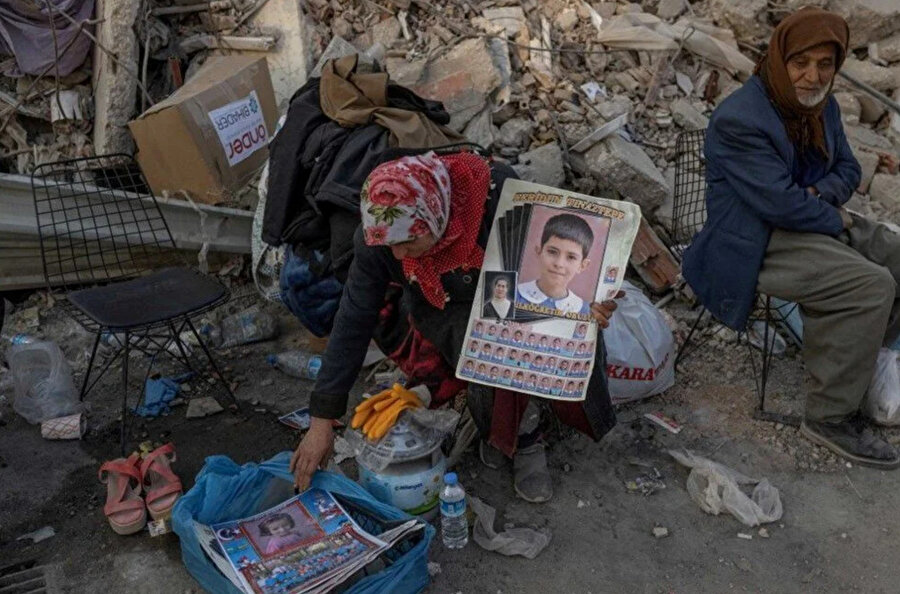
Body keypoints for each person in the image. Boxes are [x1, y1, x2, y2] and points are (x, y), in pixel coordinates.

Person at [290, 151, 622, 503]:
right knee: (480, 355)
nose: (400, 257)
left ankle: (531, 433)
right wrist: (321, 419)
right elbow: (353, 319)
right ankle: (511, 434)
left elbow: (555, 257)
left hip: (520, 289)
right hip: (445, 303)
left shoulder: (498, 196)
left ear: (436, 215)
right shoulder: (379, 241)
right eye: (391, 246)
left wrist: (591, 298)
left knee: (541, 341)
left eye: (409, 242)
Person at [682, 7, 900, 468]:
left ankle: (863, 358)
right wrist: (835, 217)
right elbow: (778, 205)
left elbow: (849, 170)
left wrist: (819, 193)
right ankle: (830, 416)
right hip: (752, 242)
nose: (811, 75)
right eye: (801, 63)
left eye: (824, 64)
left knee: (895, 256)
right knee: (870, 284)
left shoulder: (825, 106)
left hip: (808, 219)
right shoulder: (740, 118)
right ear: (779, 59)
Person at [516, 213, 594, 315]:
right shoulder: (512, 295)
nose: (559, 264)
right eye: (552, 252)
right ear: (539, 252)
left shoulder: (584, 310)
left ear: (582, 266)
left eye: (571, 257)